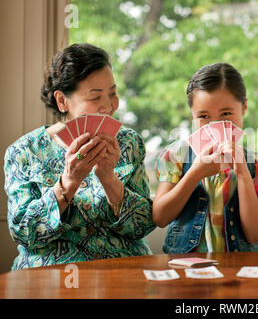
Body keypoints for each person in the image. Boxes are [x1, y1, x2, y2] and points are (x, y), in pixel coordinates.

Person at [4, 43, 156, 270]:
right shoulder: (24, 151)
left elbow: (144, 225)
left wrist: (108, 178)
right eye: (95, 97)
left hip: (124, 270)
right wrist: (68, 184)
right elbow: (24, 233)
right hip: (50, 276)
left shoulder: (129, 143)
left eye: (113, 93)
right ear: (62, 101)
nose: (108, 105)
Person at [153, 63, 258, 253]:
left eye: (226, 114)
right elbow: (160, 217)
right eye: (203, 116)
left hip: (239, 271)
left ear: (244, 107)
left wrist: (242, 172)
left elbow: (255, 234)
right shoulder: (176, 157)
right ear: (192, 116)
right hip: (186, 269)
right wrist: (194, 173)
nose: (215, 125)